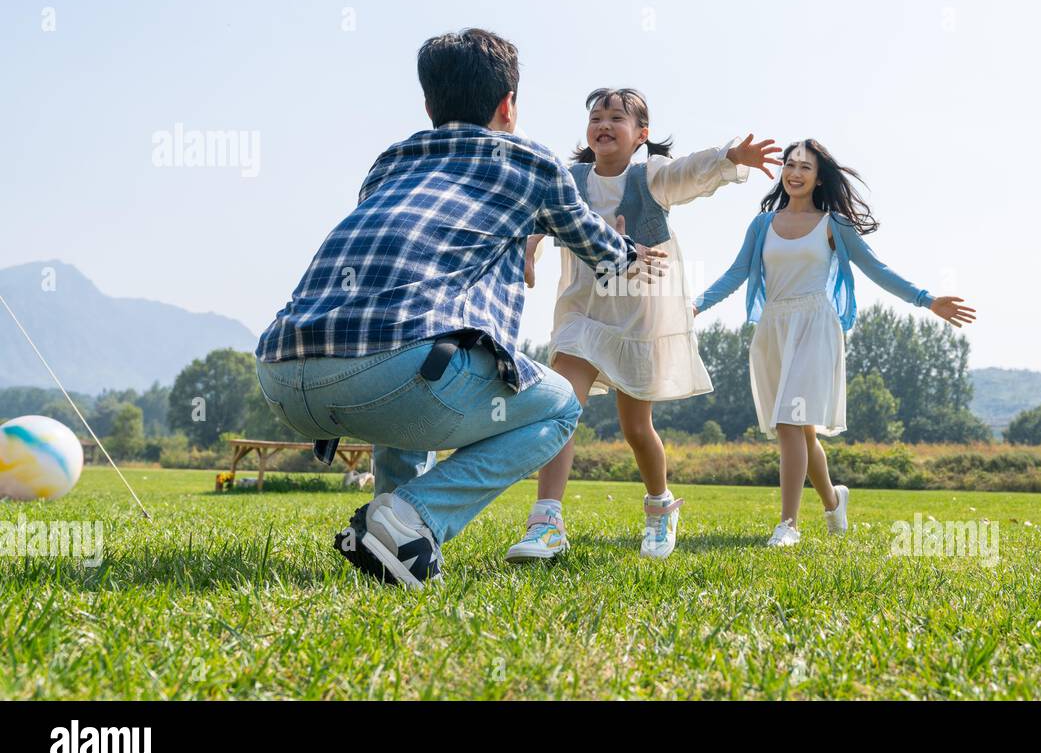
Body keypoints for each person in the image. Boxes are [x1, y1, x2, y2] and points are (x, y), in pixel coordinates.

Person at [253, 29, 667, 588]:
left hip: (283, 371)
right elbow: (598, 248)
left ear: (429, 105)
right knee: (560, 407)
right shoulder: (531, 163)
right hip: (391, 369)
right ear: (508, 106)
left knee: (416, 331)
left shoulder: (390, 161)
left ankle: (391, 538)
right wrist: (632, 255)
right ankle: (414, 518)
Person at [505, 87, 781, 562]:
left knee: (636, 428)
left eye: (616, 117)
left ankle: (660, 506)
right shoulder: (568, 180)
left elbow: (688, 173)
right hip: (582, 314)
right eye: (596, 117)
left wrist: (730, 156)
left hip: (639, 319)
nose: (604, 124)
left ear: (641, 136)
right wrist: (529, 252)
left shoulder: (650, 178)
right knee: (561, 407)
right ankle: (546, 521)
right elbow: (537, 220)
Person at [693, 139, 976, 547]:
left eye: (805, 167)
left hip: (816, 326)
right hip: (774, 327)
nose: (794, 173)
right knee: (801, 432)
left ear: (819, 176)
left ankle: (788, 525)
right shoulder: (762, 225)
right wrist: (697, 305)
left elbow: (876, 268)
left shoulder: (833, 225)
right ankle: (833, 499)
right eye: (789, 165)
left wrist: (927, 299)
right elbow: (737, 273)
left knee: (791, 420)